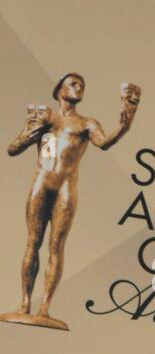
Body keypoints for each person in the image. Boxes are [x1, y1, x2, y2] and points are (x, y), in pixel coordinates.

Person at [4, 73, 141, 330]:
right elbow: (13, 149)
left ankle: (44, 307)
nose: (79, 88)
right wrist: (29, 133)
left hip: (66, 188)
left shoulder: (86, 124)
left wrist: (124, 126)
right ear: (59, 90)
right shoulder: (46, 118)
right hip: (41, 185)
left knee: (56, 246)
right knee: (32, 243)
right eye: (73, 83)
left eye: (82, 85)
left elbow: (104, 143)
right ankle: (24, 305)